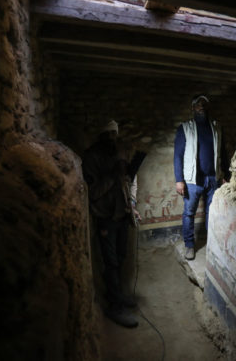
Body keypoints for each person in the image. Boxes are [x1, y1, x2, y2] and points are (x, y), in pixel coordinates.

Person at [82, 119, 138, 328]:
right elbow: (93, 192)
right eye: (108, 135)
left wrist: (131, 201)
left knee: (121, 257)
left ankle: (115, 293)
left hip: (121, 214)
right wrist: (112, 177)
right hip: (106, 216)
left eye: (114, 134)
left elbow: (129, 181)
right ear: (101, 136)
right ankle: (114, 306)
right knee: (111, 262)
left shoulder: (118, 153)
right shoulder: (91, 158)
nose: (112, 138)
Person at [174, 94, 230, 260]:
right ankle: (189, 246)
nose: (202, 107)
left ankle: (211, 243)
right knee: (189, 213)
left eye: (204, 104)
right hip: (192, 180)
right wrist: (179, 180)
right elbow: (178, 155)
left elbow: (223, 153)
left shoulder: (216, 127)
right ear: (193, 108)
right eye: (198, 104)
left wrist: (225, 174)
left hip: (213, 178)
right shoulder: (185, 128)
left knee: (211, 212)